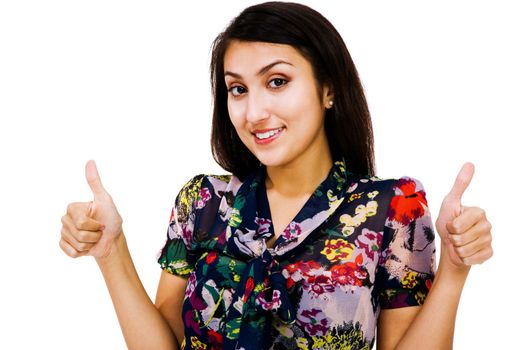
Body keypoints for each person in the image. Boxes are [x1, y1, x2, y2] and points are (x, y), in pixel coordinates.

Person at [59, 2, 493, 349]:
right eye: (238, 89)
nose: (254, 112)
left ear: (329, 89)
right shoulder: (204, 202)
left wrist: (455, 270)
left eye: (278, 81)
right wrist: (111, 251)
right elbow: (166, 344)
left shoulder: (391, 208)